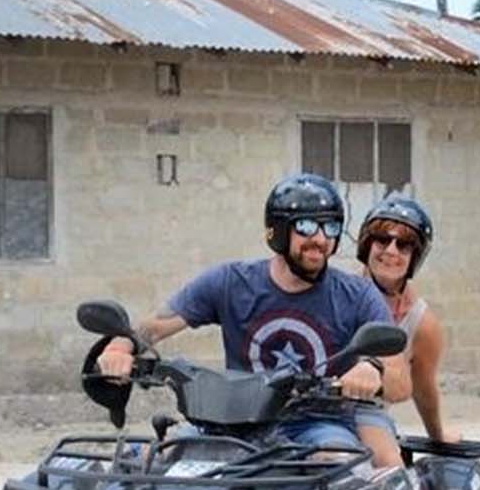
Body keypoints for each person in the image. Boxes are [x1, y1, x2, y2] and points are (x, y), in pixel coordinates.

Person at [95, 174, 411, 467]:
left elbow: (398, 378)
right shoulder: (231, 282)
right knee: (152, 466)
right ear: (278, 230)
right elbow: (155, 326)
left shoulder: (357, 295)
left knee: (341, 466)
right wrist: (120, 349)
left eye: (329, 228)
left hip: (319, 423)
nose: (319, 239)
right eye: (305, 226)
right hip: (232, 421)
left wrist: (372, 369)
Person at [355, 194, 460, 446]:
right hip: (317, 415)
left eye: (403, 244)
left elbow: (423, 388)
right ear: (367, 245)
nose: (391, 251)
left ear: (416, 256)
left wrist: (437, 435)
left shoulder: (421, 322)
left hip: (370, 424)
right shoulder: (339, 293)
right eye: (382, 240)